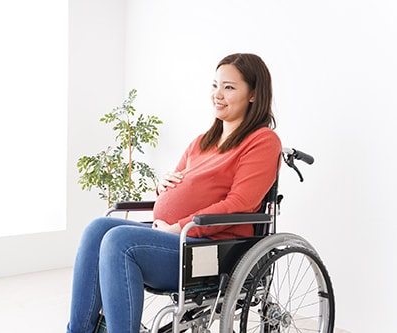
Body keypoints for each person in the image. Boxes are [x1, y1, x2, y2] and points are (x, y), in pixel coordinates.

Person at [66, 53, 282, 333]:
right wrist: (163, 185)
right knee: (98, 228)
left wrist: (176, 227)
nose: (217, 94)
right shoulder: (202, 142)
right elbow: (181, 183)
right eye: (215, 85)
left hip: (212, 250)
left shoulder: (262, 140)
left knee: (120, 240)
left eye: (229, 87)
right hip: (177, 238)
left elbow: (240, 203)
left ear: (253, 94)